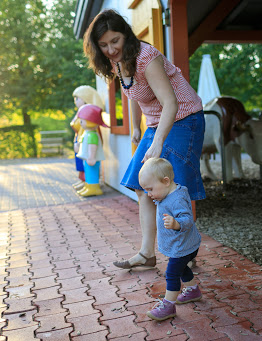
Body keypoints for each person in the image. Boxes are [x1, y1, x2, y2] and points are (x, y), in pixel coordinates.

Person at [83, 9, 206, 268]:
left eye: (115, 41)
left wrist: (158, 141)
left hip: (184, 118)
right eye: (103, 45)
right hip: (156, 123)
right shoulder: (118, 62)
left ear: (126, 35)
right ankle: (147, 254)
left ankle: (185, 256)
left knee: (175, 189)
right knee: (142, 187)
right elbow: (133, 94)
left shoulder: (146, 57)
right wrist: (137, 128)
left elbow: (170, 103)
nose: (110, 49)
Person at [138, 158, 202, 321]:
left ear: (166, 181)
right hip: (184, 245)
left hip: (183, 247)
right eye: (146, 190)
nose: (148, 194)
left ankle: (168, 306)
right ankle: (193, 290)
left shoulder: (177, 198)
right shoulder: (166, 193)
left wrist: (176, 223)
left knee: (172, 274)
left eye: (150, 189)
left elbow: (187, 219)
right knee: (182, 269)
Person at [71, 86, 105, 191]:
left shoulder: (91, 130)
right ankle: (86, 183)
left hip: (84, 142)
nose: (75, 101)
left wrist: (91, 156)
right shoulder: (80, 113)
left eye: (77, 98)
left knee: (89, 166)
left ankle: (91, 184)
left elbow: (76, 125)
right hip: (80, 139)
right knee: (82, 163)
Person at [75, 104, 108, 197]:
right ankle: (88, 186)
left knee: (92, 172)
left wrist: (91, 157)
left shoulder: (92, 135)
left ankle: (94, 187)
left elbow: (92, 146)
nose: (80, 123)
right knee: (88, 172)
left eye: (82, 120)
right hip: (87, 159)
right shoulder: (87, 133)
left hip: (91, 159)